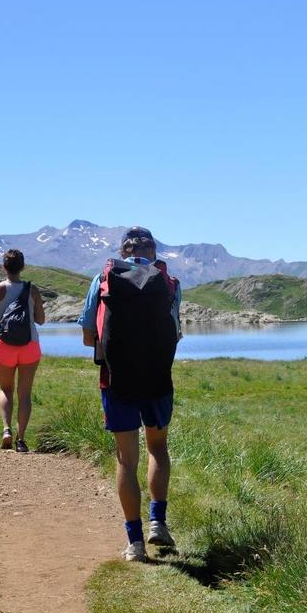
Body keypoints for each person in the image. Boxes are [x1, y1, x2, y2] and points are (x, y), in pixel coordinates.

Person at [78, 227, 182, 563]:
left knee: (126, 458)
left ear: (123, 251)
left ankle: (135, 543)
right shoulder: (168, 282)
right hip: (157, 378)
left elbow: (88, 337)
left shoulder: (103, 279)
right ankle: (158, 523)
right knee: (157, 448)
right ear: (153, 251)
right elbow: (175, 333)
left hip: (115, 379)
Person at [0, 250, 45, 452]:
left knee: (6, 389)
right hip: (30, 345)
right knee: (24, 393)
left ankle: (6, 430)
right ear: (23, 267)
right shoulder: (32, 289)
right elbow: (41, 320)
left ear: (3, 267)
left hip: (4, 346)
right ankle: (21, 439)